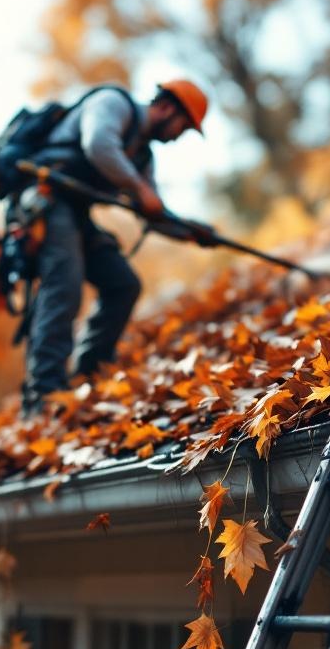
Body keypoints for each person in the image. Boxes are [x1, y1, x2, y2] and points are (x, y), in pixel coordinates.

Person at [20, 79, 209, 415]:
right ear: (167, 108)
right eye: (184, 126)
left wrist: (193, 233)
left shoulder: (141, 157)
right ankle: (44, 399)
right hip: (45, 202)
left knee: (122, 284)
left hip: (76, 214)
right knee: (64, 285)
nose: (180, 136)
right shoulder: (112, 104)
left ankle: (86, 381)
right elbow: (98, 145)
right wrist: (138, 189)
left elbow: (153, 214)